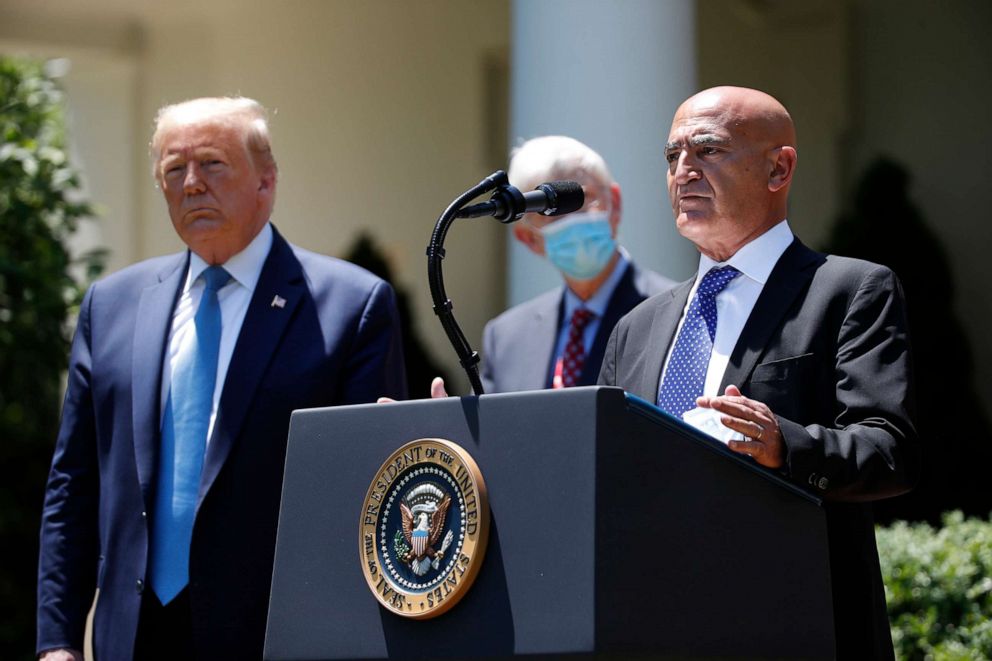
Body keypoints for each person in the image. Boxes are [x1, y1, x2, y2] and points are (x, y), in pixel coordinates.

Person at [36, 97, 406, 660]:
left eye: (211, 164)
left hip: (274, 635)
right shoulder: (111, 307)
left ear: (266, 182)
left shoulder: (349, 307)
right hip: (133, 634)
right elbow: (74, 484)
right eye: (173, 170)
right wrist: (57, 641)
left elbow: (370, 493)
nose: (190, 184)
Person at [599, 87, 920, 658]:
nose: (684, 171)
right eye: (672, 157)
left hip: (792, 626)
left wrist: (783, 443)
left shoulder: (847, 292)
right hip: (652, 624)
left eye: (708, 150)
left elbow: (887, 450)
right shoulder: (637, 327)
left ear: (779, 168)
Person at [481, 136, 673, 393]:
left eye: (582, 199)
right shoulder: (505, 337)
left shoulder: (675, 314)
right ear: (528, 238)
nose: (572, 218)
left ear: (614, 204)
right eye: (548, 209)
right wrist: (452, 424)